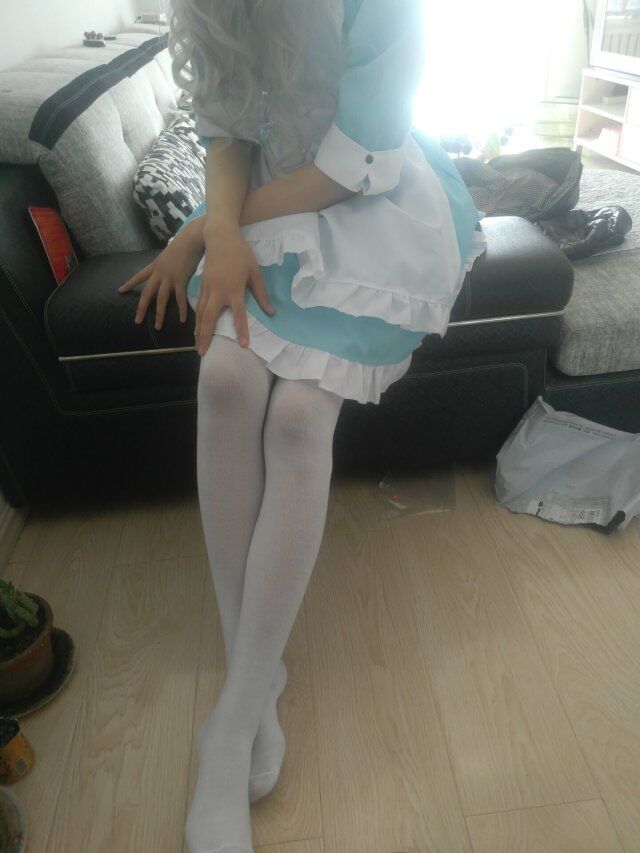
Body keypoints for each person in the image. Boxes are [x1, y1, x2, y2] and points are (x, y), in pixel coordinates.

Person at [118, 1, 486, 850]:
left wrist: (208, 229)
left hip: (368, 204)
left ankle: (230, 727)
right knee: (223, 382)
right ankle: (255, 684)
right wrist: (214, 224)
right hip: (264, 201)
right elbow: (227, 126)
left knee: (297, 417)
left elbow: (357, 164)